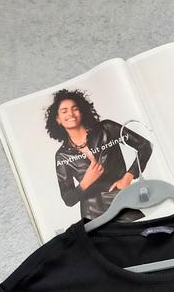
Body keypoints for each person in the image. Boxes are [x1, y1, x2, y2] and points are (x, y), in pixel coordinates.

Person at [45, 89, 153, 221]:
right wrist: (86, 182)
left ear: (81, 111)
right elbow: (68, 199)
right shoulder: (62, 155)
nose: (71, 114)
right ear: (58, 119)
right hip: (92, 215)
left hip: (124, 205)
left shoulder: (106, 128)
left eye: (75, 108)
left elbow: (145, 146)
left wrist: (128, 176)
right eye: (64, 111)